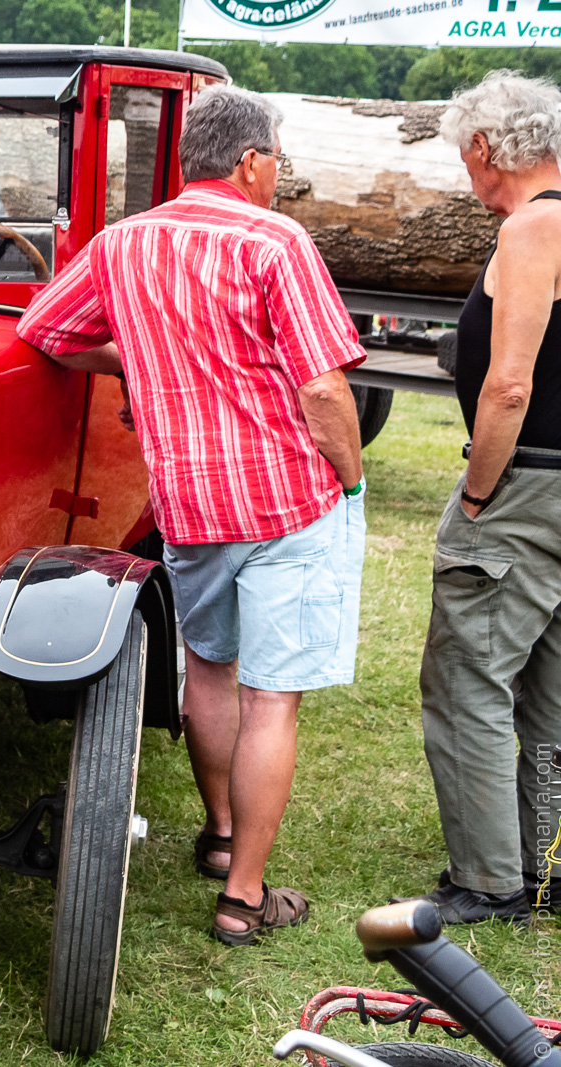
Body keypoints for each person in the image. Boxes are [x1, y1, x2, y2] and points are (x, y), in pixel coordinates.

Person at [16, 85, 367, 946]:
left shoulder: (123, 241)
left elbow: (45, 331)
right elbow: (323, 384)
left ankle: (217, 832)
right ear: (251, 162)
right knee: (272, 696)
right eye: (277, 159)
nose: (278, 175)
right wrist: (351, 477)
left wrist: (135, 356)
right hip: (287, 496)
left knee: (209, 667)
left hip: (189, 500)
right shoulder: (275, 240)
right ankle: (244, 895)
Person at [395, 71, 561, 927]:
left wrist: (477, 492)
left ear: (487, 149)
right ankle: (545, 862)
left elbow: (507, 385)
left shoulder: (536, 227)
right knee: (551, 690)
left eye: (465, 156)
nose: (467, 175)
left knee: (468, 680)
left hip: (528, 482)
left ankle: (491, 881)